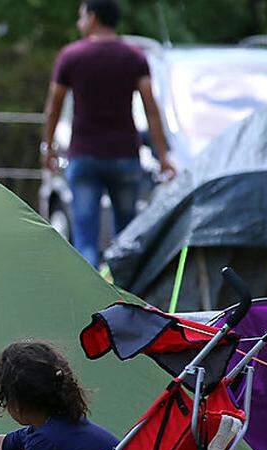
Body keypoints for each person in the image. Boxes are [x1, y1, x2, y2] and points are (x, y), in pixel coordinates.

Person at [40, 0, 176, 268]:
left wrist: (48, 147)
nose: (79, 23)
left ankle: (88, 302)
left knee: (85, 238)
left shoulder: (71, 56)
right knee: (126, 236)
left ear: (93, 18)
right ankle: (125, 300)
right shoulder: (134, 57)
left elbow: (53, 108)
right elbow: (151, 109)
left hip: (84, 156)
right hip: (125, 156)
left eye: (81, 17)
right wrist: (163, 156)